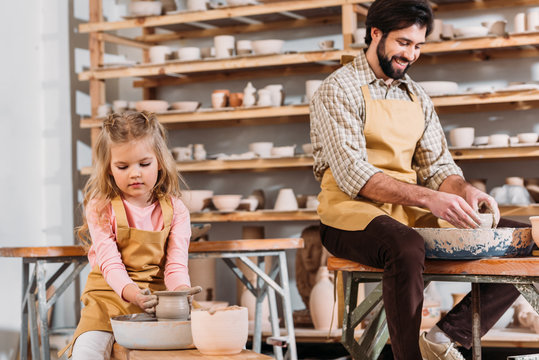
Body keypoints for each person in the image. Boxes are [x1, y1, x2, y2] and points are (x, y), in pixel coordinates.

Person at [309, 0, 525, 359]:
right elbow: (353, 174)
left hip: (406, 212)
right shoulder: (338, 89)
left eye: (418, 46)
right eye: (403, 43)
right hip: (348, 214)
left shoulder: (417, 95)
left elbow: (437, 166)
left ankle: (442, 339)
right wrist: (428, 199)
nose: (410, 54)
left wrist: (465, 190)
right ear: (375, 33)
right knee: (406, 247)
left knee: (516, 238)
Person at [60, 111, 192, 359]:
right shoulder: (101, 206)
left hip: (156, 300)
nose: (135, 173)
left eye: (144, 164)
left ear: (160, 161)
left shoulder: (177, 210)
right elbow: (110, 264)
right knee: (86, 353)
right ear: (109, 168)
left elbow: (175, 266)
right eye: (123, 166)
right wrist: (133, 294)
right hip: (106, 299)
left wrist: (181, 293)